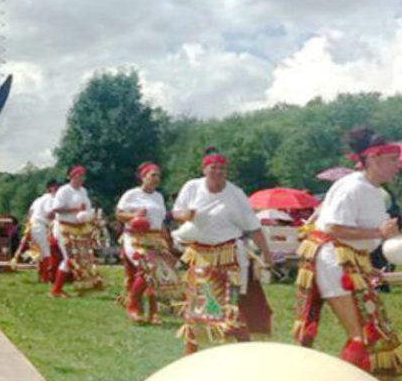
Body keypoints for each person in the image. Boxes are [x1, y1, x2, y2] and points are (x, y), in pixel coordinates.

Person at [294, 127, 402, 376]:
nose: (397, 166)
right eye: (392, 160)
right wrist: (379, 234)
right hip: (334, 261)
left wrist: (366, 265)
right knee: (362, 334)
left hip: (346, 260)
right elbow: (333, 228)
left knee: (372, 330)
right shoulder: (355, 187)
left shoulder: (368, 188)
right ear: (373, 159)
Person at [172, 148, 273, 354]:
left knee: (232, 307)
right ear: (204, 169)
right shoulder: (192, 187)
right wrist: (185, 214)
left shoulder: (235, 194)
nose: (217, 171)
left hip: (230, 256)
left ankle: (245, 353)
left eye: (222, 168)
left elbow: (253, 227)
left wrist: (267, 254)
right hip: (201, 256)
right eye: (213, 167)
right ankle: (189, 356)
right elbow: (176, 211)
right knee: (197, 307)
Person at [115, 162, 180, 324]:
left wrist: (168, 241)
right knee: (147, 268)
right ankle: (133, 306)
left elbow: (161, 222)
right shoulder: (131, 194)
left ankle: (153, 313)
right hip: (135, 237)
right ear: (143, 177)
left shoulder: (159, 197)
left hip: (155, 238)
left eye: (158, 175)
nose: (157, 178)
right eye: (153, 175)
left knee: (158, 275)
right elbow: (119, 214)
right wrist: (134, 216)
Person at [50, 165, 103, 297]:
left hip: (80, 227)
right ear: (70, 177)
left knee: (83, 257)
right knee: (69, 258)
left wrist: (90, 216)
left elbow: (86, 208)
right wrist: (74, 210)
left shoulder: (83, 191)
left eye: (82, 176)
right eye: (77, 176)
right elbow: (55, 209)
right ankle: (56, 289)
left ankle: (86, 283)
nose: (80, 179)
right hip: (64, 227)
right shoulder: (64, 191)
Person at [27, 179, 59, 283]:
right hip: (41, 225)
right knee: (47, 253)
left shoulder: (38, 199)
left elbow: (30, 213)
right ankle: (46, 277)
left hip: (33, 225)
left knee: (40, 253)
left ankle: (42, 276)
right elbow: (49, 213)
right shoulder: (51, 199)